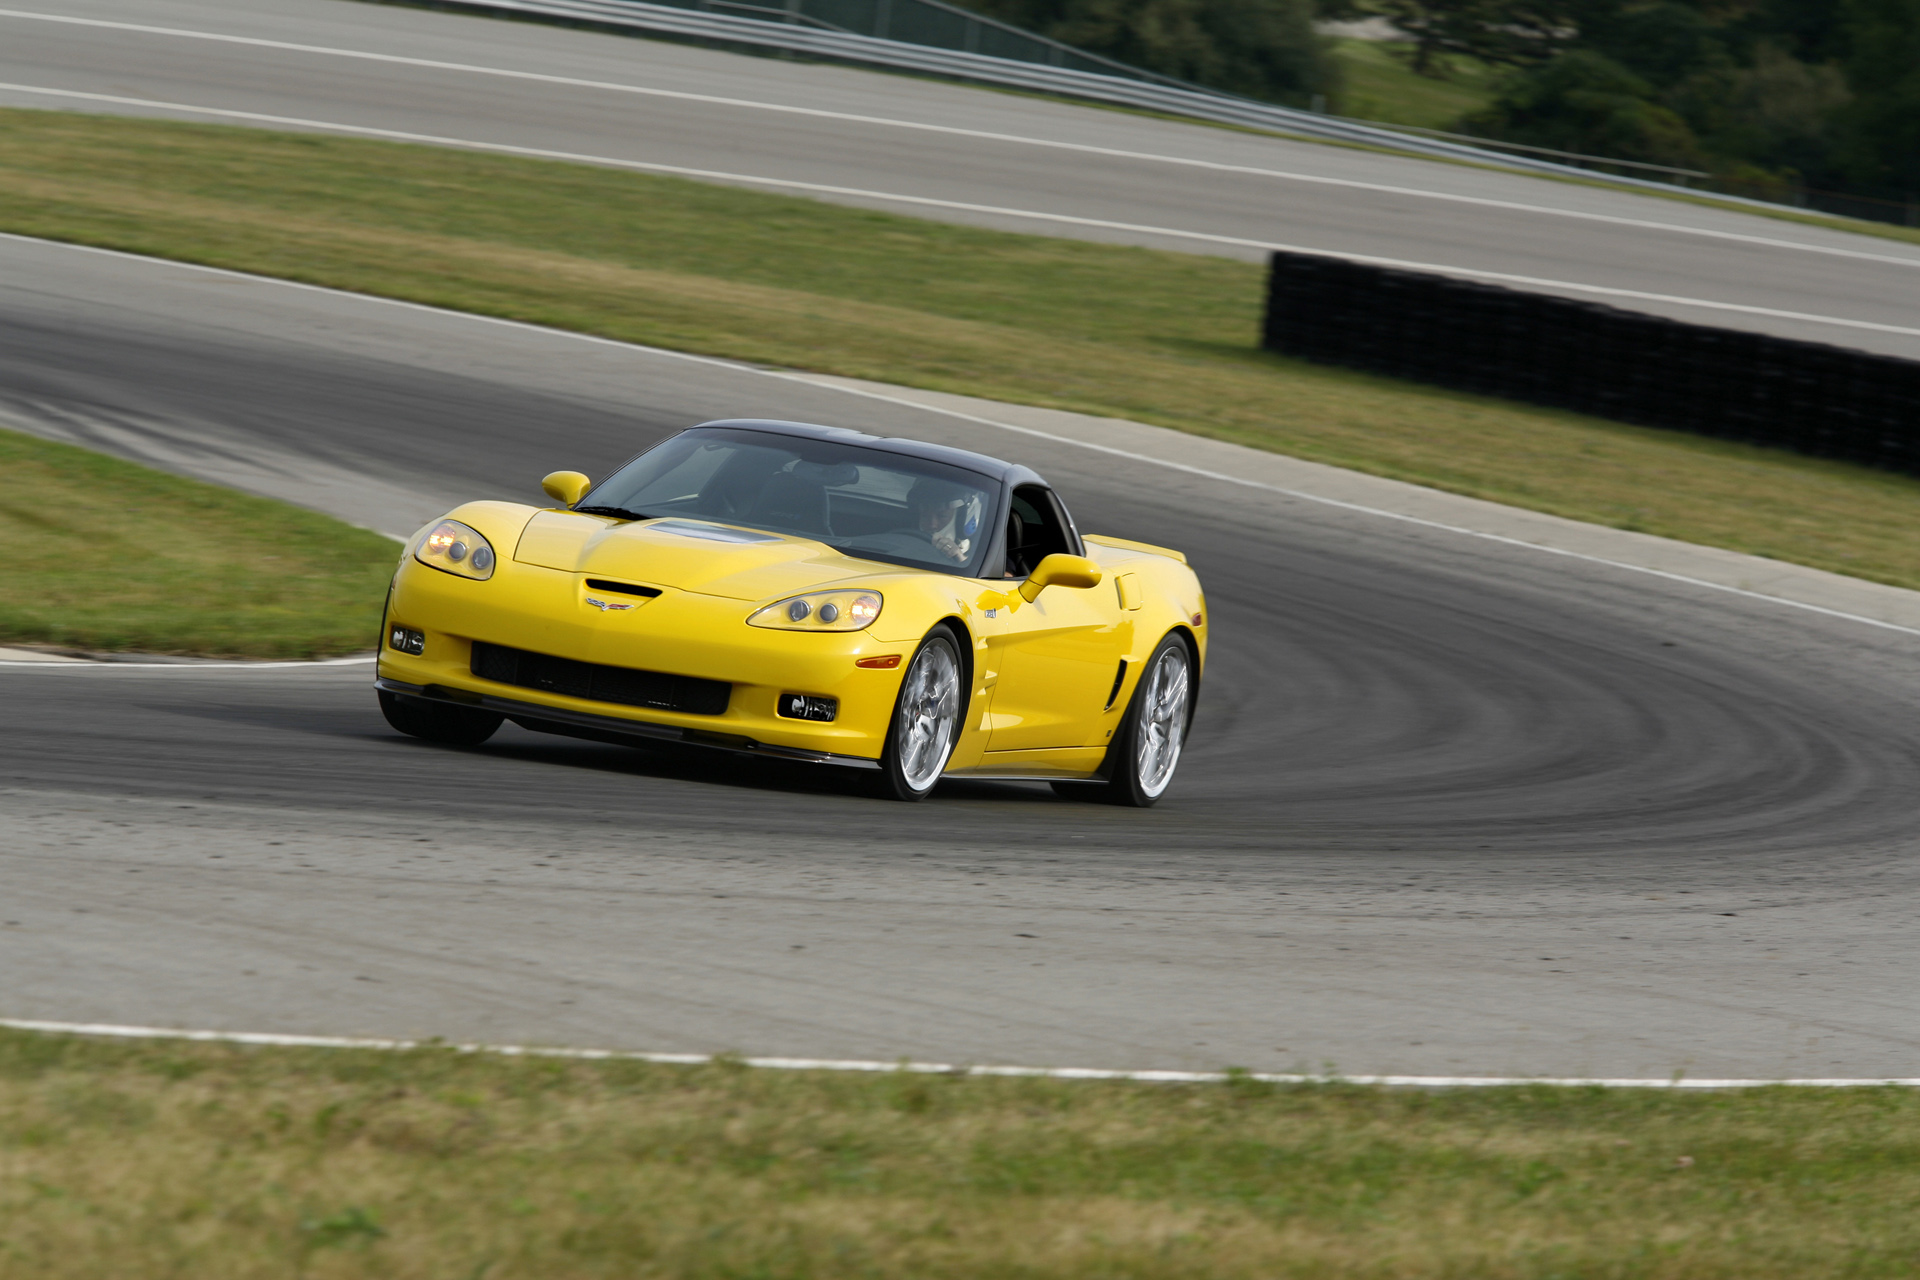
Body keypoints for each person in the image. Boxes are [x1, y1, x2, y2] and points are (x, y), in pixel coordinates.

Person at [907, 477, 977, 566]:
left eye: (942, 516)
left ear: (960, 519)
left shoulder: (978, 553)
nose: (932, 525)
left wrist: (959, 557)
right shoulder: (903, 543)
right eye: (925, 516)